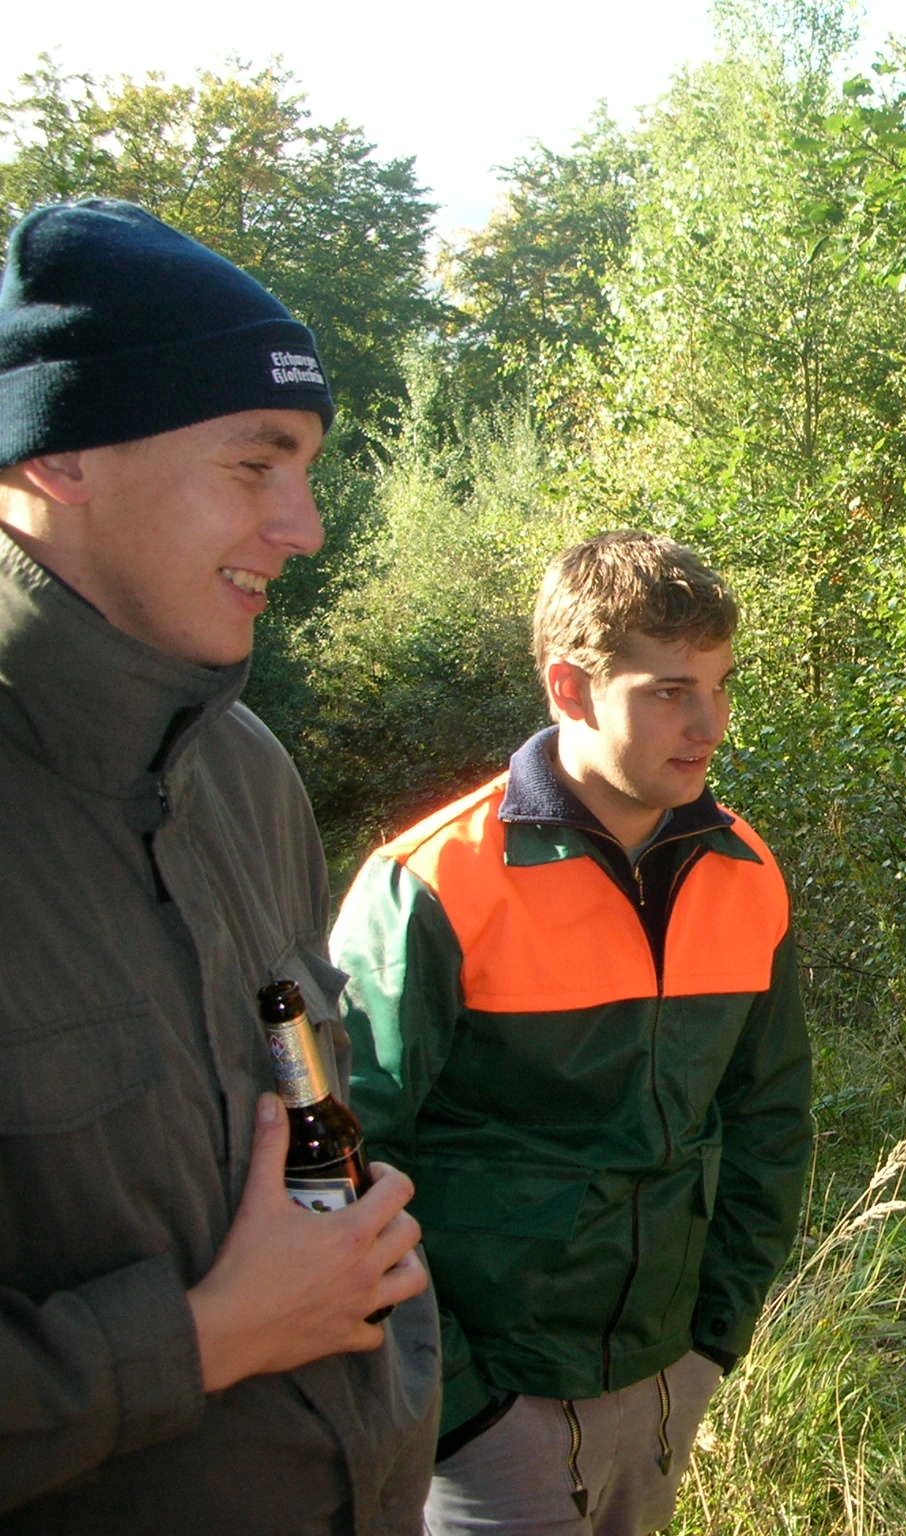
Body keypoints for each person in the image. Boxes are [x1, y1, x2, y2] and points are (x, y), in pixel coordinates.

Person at [0, 200, 438, 1532]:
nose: (304, 527)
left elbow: (316, 1128)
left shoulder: (246, 771)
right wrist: (200, 1340)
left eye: (306, 468)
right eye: (256, 464)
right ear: (62, 458)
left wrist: (397, 1361)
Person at [333, 529, 814, 1536]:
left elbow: (770, 1123)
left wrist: (711, 1344)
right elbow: (346, 1165)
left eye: (721, 686)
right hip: (486, 1409)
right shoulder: (432, 882)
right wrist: (458, 1405)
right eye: (669, 692)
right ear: (569, 687)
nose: (710, 725)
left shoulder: (747, 873)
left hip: (664, 1379)